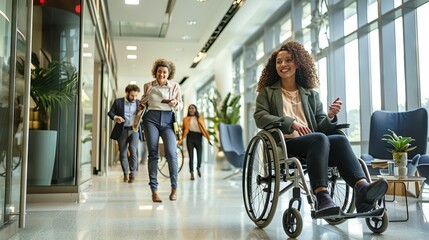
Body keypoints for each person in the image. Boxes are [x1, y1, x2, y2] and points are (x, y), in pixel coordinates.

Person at [254, 40, 388, 213]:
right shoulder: (267, 92)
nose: (283, 64)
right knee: (319, 138)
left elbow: (320, 127)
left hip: (315, 143)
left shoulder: (311, 95)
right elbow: (260, 117)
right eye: (279, 62)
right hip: (286, 144)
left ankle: (362, 189)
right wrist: (290, 122)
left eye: (288, 60)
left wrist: (330, 116)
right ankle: (322, 195)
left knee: (338, 139)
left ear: (297, 63)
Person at [139, 58, 183, 202]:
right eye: (159, 71)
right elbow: (144, 102)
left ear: (168, 74)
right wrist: (141, 104)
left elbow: (180, 105)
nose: (161, 74)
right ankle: (154, 190)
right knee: (153, 153)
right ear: (155, 72)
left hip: (168, 120)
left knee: (171, 153)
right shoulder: (148, 85)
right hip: (151, 118)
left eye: (164, 72)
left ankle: (174, 188)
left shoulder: (175, 86)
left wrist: (175, 103)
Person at [108, 84, 142, 184]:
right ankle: (125, 174)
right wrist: (116, 118)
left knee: (133, 151)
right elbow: (110, 113)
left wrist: (143, 109)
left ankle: (132, 174)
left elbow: (145, 113)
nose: (134, 98)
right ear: (127, 93)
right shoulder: (118, 102)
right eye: (132, 96)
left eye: (136, 96)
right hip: (122, 130)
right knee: (123, 153)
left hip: (134, 130)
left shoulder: (138, 102)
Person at [178, 104, 212, 180]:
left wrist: (208, 138)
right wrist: (180, 139)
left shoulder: (200, 118)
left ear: (195, 109)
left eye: (193, 108)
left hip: (198, 137)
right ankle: (192, 173)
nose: (191, 110)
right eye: (190, 108)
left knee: (199, 155)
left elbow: (204, 128)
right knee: (191, 156)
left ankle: (198, 167)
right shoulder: (185, 119)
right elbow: (183, 130)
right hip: (190, 137)